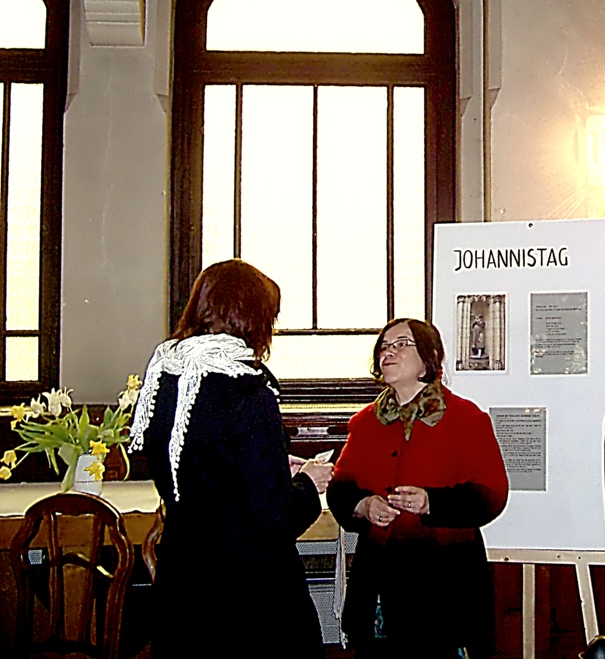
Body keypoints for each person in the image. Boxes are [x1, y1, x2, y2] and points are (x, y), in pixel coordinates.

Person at [130, 259, 333, 658]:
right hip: (245, 592)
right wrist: (309, 481)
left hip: (184, 578)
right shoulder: (246, 390)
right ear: (252, 317)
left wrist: (275, 462)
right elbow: (274, 519)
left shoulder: (165, 378)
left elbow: (197, 461)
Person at [328, 318, 509, 658]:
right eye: (384, 346)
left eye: (401, 344)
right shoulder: (365, 422)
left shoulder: (466, 418)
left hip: (446, 581)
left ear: (428, 357)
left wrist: (432, 503)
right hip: (380, 580)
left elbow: (492, 494)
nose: (389, 352)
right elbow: (340, 488)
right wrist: (363, 505)